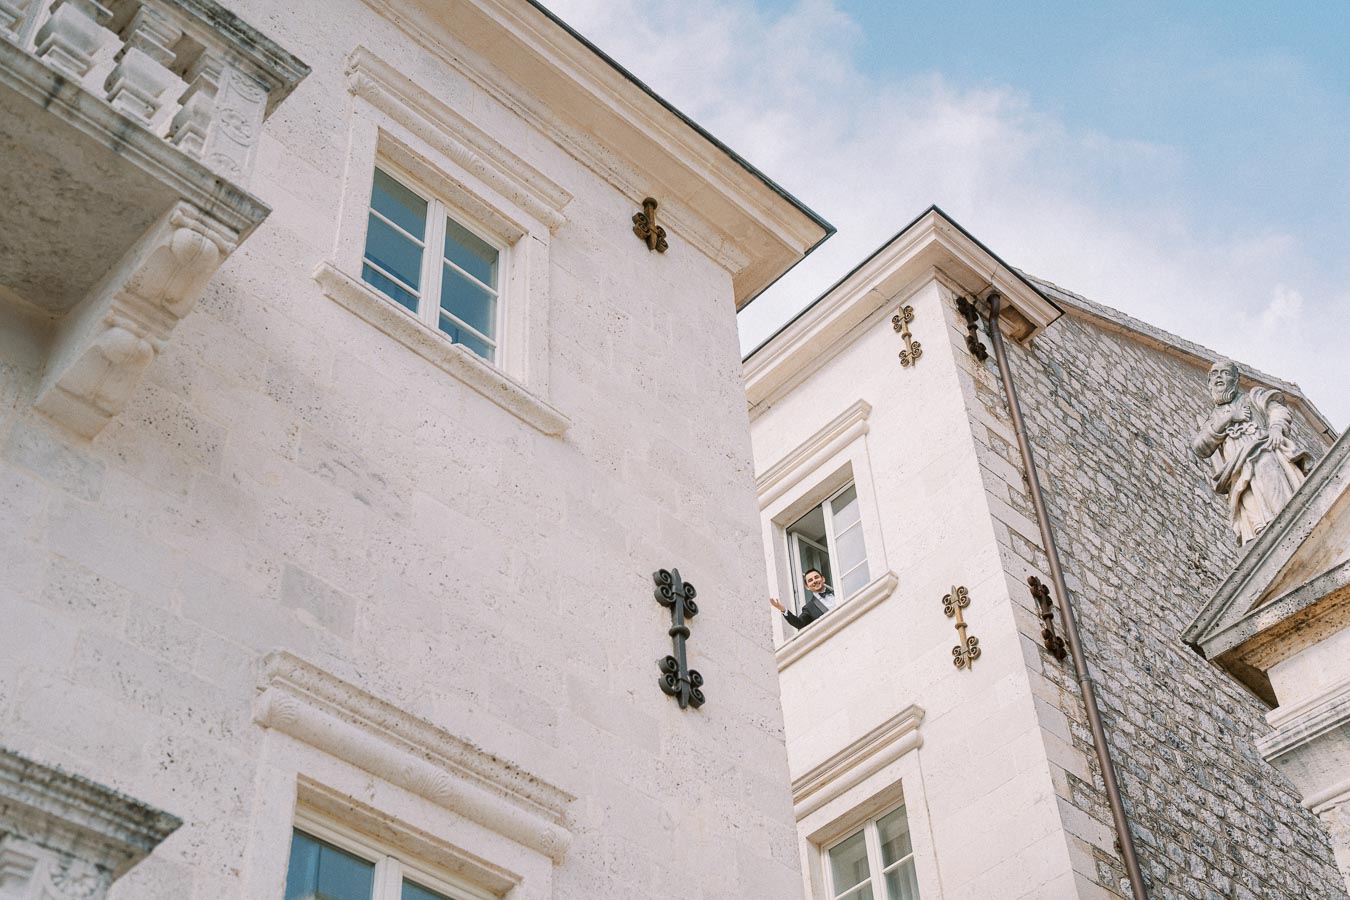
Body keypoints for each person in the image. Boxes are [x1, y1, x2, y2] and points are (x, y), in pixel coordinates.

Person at [1191, 359, 1310, 545]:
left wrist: (1276, 428)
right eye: (1214, 375)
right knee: (1243, 494)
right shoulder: (1213, 419)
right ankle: (1261, 535)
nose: (1219, 377)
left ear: (1236, 380)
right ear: (1209, 384)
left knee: (1266, 469)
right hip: (1235, 468)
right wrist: (1229, 417)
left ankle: (1285, 520)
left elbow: (1277, 409)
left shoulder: (1252, 398)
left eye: (1224, 373)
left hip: (1262, 449)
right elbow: (1200, 447)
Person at [769, 568, 836, 629]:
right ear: (807, 587)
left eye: (816, 577)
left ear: (823, 579)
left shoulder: (838, 592)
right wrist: (783, 610)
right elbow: (800, 624)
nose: (814, 581)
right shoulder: (809, 608)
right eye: (810, 580)